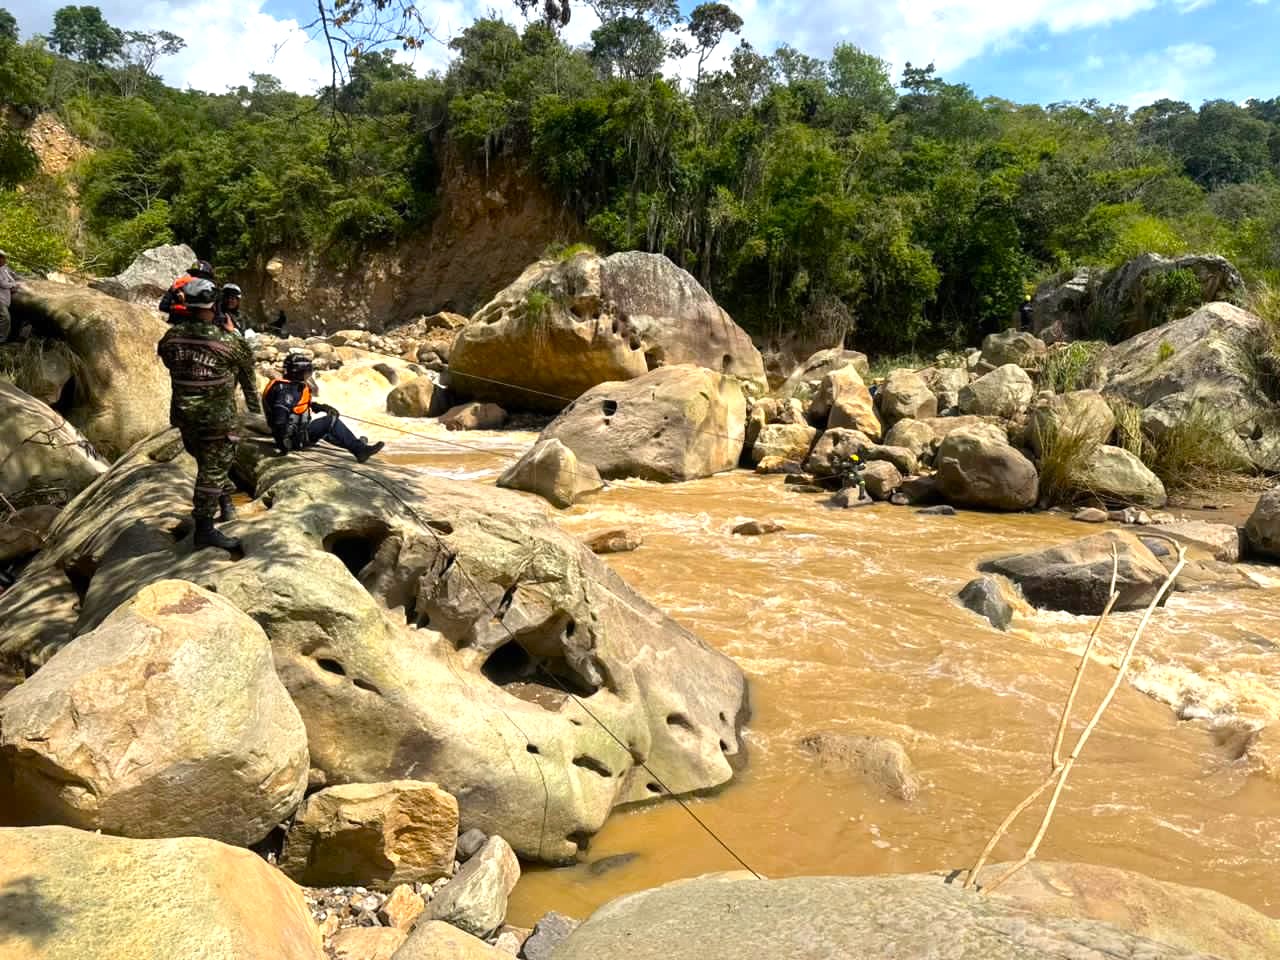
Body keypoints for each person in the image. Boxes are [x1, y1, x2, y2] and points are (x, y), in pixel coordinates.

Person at [156, 277, 260, 551]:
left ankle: (224, 503)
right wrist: (233, 333)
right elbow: (247, 366)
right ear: (213, 304)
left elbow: (167, 358)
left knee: (207, 464)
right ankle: (204, 528)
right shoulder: (227, 340)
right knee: (213, 469)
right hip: (217, 420)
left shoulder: (170, 337)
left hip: (183, 416)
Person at [262, 352, 385, 463]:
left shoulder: (289, 386)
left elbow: (298, 406)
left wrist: (322, 407)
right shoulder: (286, 392)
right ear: (298, 372)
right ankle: (360, 450)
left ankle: (357, 445)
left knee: (328, 429)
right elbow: (279, 421)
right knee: (330, 422)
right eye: (306, 372)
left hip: (297, 434)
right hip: (293, 439)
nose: (308, 375)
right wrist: (284, 444)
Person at [0, 249, 26, 343]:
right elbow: (2, 284)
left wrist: (17, 282)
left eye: (4, 257)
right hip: (1, 300)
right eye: (3, 257)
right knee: (6, 319)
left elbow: (13, 278)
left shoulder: (5, 269)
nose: (4, 259)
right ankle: (1, 340)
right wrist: (14, 285)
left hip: (6, 299)